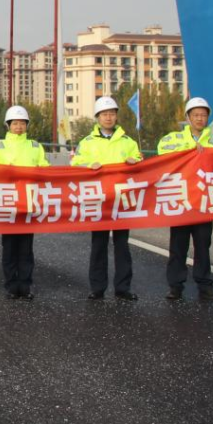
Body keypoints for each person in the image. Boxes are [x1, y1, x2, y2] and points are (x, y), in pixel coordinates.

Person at [71, 96, 143, 301]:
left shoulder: (128, 142)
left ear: (116, 116)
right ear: (98, 117)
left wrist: (135, 161)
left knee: (122, 246)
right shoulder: (87, 142)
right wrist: (88, 165)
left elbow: (141, 163)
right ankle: (97, 287)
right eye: (104, 114)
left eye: (112, 113)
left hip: (121, 200)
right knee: (99, 245)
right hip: (99, 200)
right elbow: (75, 163)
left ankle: (123, 288)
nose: (108, 117)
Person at [157, 96, 213, 301]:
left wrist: (206, 153)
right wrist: (190, 152)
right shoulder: (174, 138)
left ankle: (205, 286)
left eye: (203, 115)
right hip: (181, 201)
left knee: (203, 247)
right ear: (188, 117)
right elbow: (163, 154)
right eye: (196, 115)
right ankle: (176, 286)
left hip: (203, 203)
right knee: (178, 246)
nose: (200, 118)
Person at [0, 105, 49, 300]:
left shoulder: (35, 146)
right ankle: (11, 285)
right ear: (8, 125)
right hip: (8, 203)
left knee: (26, 248)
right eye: (15, 123)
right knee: (10, 246)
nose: (19, 127)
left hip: (28, 203)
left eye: (22, 123)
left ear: (27, 125)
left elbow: (45, 169)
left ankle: (25, 285)